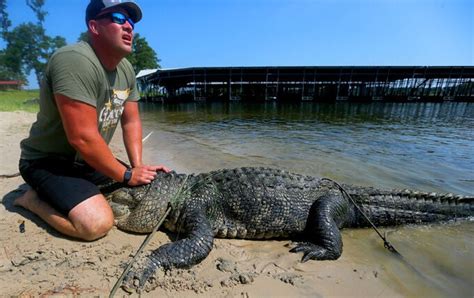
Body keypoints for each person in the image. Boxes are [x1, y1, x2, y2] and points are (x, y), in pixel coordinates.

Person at [14, 0, 169, 241]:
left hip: (88, 161)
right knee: (95, 224)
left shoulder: (126, 68)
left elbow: (131, 122)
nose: (128, 26)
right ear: (94, 27)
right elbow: (82, 137)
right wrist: (126, 175)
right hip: (48, 161)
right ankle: (31, 200)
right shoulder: (74, 60)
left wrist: (136, 165)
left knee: (149, 186)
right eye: (119, 18)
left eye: (131, 21)